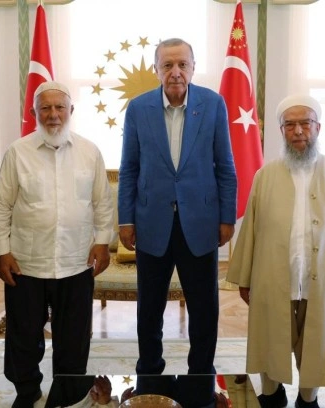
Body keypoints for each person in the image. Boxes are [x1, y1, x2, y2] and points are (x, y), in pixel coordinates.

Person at [226, 95, 325, 408]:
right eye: (289, 125)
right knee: (270, 338)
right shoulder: (265, 175)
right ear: (281, 131)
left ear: (318, 127)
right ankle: (272, 394)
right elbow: (250, 230)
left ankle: (308, 400)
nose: (298, 131)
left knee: (316, 342)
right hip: (273, 278)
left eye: (305, 123)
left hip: (322, 279)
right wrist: (245, 278)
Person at [117, 38, 237, 408]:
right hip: (151, 223)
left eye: (182, 64)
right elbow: (129, 168)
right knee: (149, 309)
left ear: (193, 68)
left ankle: (200, 379)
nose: (175, 72)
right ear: (156, 69)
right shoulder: (139, 109)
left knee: (204, 309)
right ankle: (150, 376)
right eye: (167, 65)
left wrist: (226, 218)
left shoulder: (213, 104)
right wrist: (125, 220)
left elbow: (225, 166)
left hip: (200, 224)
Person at [0, 81, 114, 408]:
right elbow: (0, 205)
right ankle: (27, 391)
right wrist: (1, 252)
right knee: (23, 337)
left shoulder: (90, 152)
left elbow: (102, 202)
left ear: (71, 111)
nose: (53, 114)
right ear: (34, 113)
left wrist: (103, 242)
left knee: (73, 338)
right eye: (45, 108)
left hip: (75, 262)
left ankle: (66, 396)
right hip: (26, 263)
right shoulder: (18, 152)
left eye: (60, 107)